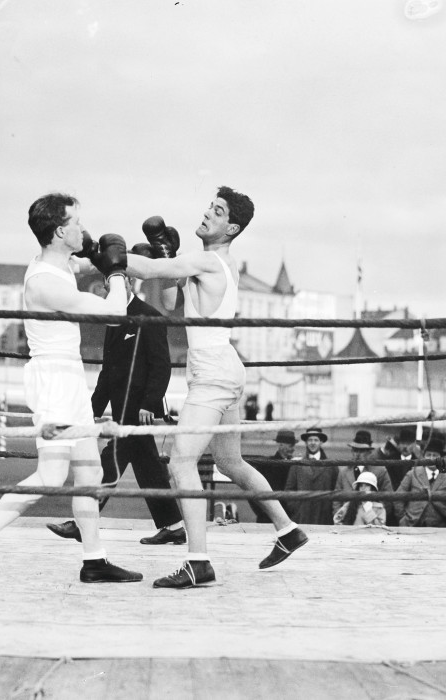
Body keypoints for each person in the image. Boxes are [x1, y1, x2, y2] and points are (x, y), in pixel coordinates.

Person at [0, 192, 142, 598]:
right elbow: (114, 312)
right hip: (54, 380)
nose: (83, 227)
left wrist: (97, 253)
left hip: (70, 375)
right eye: (76, 222)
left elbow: (81, 258)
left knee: (90, 471)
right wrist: (117, 274)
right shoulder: (43, 283)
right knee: (51, 475)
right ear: (59, 231)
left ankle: (94, 560)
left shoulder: (57, 263)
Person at [126, 186, 307, 588]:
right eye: (210, 206)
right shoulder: (216, 264)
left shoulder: (208, 261)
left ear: (232, 227)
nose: (208, 213)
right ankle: (287, 529)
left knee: (181, 461)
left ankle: (198, 561)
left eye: (218, 211)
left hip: (212, 373)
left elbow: (152, 275)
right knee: (230, 463)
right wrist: (167, 254)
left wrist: (102, 256)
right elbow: (173, 300)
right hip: (225, 369)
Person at [46, 244, 185, 546]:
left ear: (130, 281)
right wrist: (92, 408)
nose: (111, 286)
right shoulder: (113, 318)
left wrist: (150, 403)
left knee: (112, 459)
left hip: (141, 408)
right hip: (122, 407)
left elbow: (162, 366)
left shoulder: (150, 316)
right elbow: (108, 372)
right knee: (147, 466)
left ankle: (83, 521)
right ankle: (173, 526)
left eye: (116, 280)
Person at [394, 434, 446, 527]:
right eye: (428, 455)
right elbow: (398, 497)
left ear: (441, 457)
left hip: (441, 527)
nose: (431, 458)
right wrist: (402, 519)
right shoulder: (414, 473)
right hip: (413, 524)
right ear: (423, 456)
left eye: (435, 455)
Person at [283, 428, 338, 525]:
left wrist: (328, 509)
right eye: (310, 440)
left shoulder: (331, 465)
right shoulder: (297, 464)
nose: (313, 443)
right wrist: (297, 508)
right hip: (302, 516)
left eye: (316, 440)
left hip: (323, 516)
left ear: (321, 442)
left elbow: (336, 490)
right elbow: (289, 490)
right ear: (306, 442)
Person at [335, 429, 393, 519]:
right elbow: (337, 499)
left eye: (361, 451)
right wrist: (340, 518)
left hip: (371, 522)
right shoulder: (344, 472)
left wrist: (376, 517)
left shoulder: (380, 471)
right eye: (355, 450)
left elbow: (388, 499)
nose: (357, 454)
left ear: (369, 452)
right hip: (347, 522)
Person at [251, 429, 298, 523]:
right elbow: (251, 489)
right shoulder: (266, 465)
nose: (293, 449)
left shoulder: (294, 464)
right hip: (268, 518)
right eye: (291, 446)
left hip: (288, 517)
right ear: (280, 445)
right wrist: (261, 512)